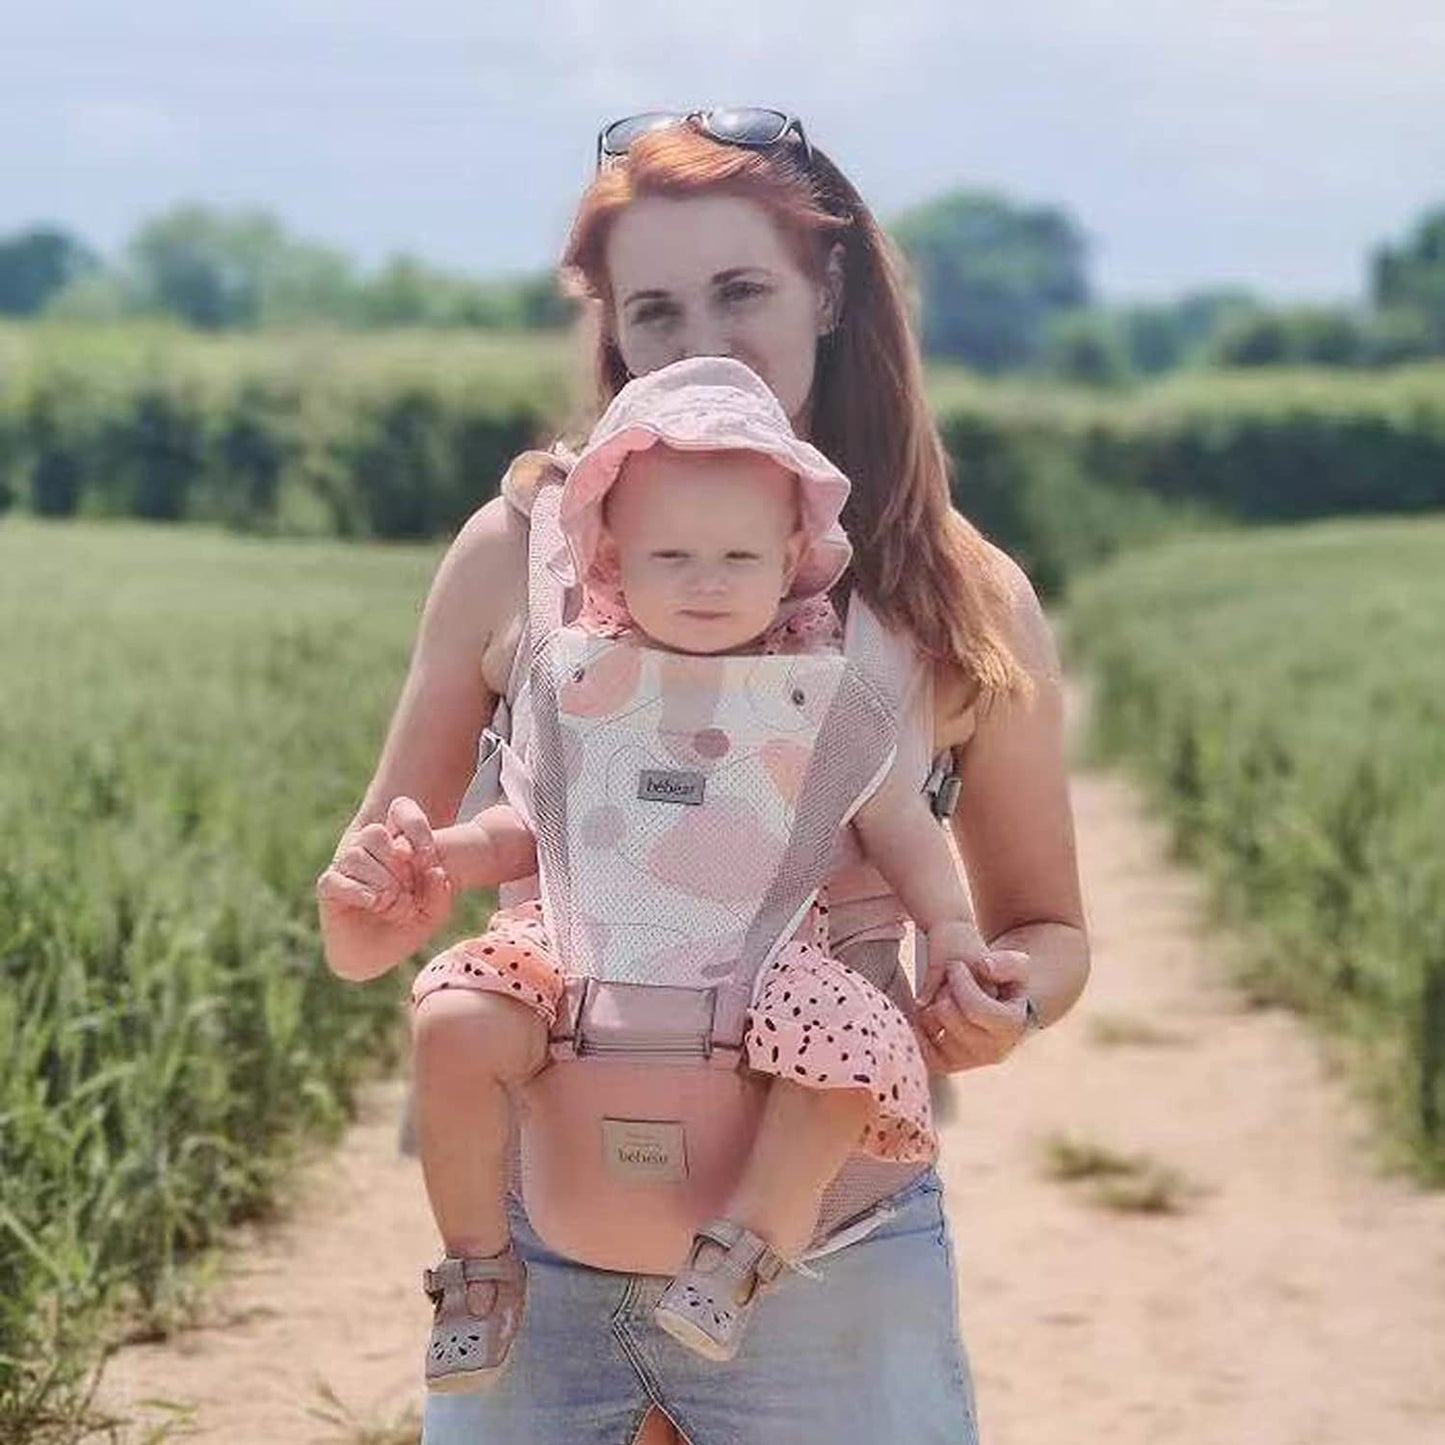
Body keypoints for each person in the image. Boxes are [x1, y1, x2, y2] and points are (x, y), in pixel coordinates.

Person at [317, 108, 1088, 1445]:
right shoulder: (514, 552)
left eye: (741, 293)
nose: (697, 346)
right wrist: (379, 901)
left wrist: (1004, 998)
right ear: (611, 326)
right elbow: (361, 922)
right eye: (653, 309)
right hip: (540, 1233)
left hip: (828, 1244)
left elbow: (1051, 932)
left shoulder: (957, 594)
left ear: (831, 290)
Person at [336, 356, 1021, 1388]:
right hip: (579, 947)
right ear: (608, 554)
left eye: (739, 554)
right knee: (453, 1018)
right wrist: (438, 852)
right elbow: (522, 822)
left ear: (795, 553)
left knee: (855, 1050)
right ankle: (477, 1263)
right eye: (672, 554)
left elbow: (899, 825)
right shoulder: (577, 682)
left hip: (759, 960)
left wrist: (955, 935)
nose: (707, 579)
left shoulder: (821, 696)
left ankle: (743, 1249)